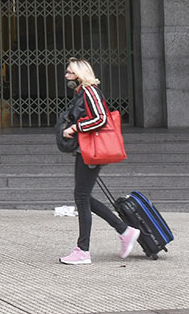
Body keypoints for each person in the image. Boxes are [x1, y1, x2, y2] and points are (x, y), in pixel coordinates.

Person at [59, 57, 140, 265]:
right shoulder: (82, 93)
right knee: (83, 196)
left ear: (79, 74)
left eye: (69, 72)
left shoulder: (90, 91)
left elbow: (100, 118)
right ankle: (124, 231)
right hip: (85, 150)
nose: (66, 75)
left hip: (92, 150)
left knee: (82, 196)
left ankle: (83, 250)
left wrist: (75, 128)